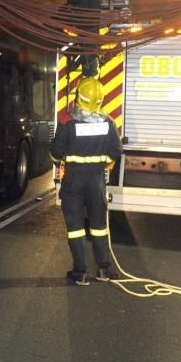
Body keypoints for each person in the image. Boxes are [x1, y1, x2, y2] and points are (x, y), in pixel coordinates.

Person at [51, 76, 122, 285]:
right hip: (96, 181)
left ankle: (80, 272)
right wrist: (102, 163)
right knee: (99, 226)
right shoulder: (108, 123)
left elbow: (55, 153)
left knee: (75, 228)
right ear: (100, 99)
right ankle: (104, 269)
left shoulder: (66, 122)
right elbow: (116, 151)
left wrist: (61, 160)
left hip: (73, 181)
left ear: (78, 97)